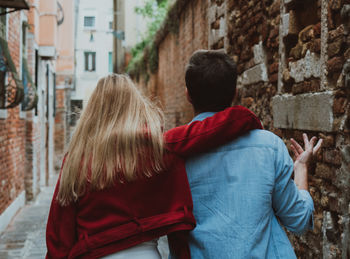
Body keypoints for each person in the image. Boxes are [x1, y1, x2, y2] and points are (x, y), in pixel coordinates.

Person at [45, 74, 263, 259]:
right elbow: (211, 129)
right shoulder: (160, 146)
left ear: (92, 113)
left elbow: (58, 238)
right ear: (135, 106)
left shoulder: (75, 160)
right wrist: (249, 118)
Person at [167, 50, 323, 258]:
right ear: (235, 94)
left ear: (188, 95)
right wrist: (301, 168)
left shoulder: (171, 156)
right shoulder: (269, 147)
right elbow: (299, 221)